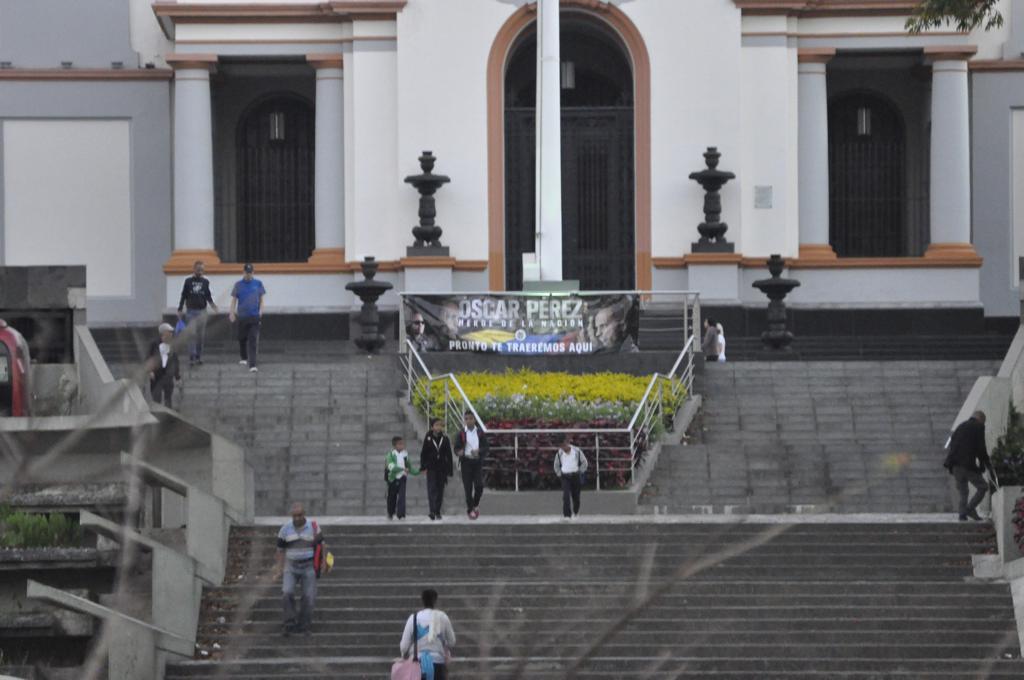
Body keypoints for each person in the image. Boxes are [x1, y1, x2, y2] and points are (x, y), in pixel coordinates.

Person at [273, 502, 324, 636]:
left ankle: (304, 625)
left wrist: (323, 564)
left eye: (300, 515)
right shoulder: (285, 529)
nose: (297, 518)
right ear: (291, 516)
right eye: (295, 516)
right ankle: (289, 623)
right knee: (287, 592)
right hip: (291, 566)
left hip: (308, 566)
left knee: (308, 596)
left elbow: (322, 546)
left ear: (304, 514)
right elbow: (280, 551)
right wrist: (279, 569)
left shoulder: (313, 527)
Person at [944, 411, 996, 521]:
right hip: (966, 465)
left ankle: (962, 515)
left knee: (963, 492)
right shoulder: (978, 426)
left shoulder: (960, 426)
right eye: (984, 422)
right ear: (981, 419)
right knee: (983, 487)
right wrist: (985, 463)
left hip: (955, 465)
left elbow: (952, 444)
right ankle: (969, 509)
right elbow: (981, 447)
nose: (983, 424)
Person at [399, 589, 456, 680]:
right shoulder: (442, 617)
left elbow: (403, 647)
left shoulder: (413, 618)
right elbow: (452, 642)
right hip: (437, 664)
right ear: (435, 601)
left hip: (417, 665)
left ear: (422, 601)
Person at [176, 260, 219, 366]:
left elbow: (208, 296)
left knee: (200, 336)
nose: (200, 271)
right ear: (194, 269)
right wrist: (180, 309)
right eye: (198, 269)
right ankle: (192, 356)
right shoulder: (188, 281)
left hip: (202, 312)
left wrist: (213, 306)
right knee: (191, 334)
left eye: (202, 269)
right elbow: (183, 295)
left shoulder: (205, 282)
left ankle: (198, 356)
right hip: (191, 311)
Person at [229, 263, 266, 373]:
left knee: (253, 339)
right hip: (242, 316)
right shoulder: (238, 285)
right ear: (243, 272)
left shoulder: (258, 284)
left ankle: (253, 364)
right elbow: (234, 300)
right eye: (247, 272)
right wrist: (231, 312)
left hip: (254, 316)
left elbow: (262, 299)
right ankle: (243, 357)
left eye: (250, 273)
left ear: (253, 273)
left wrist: (261, 311)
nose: (248, 275)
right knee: (242, 338)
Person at [454, 411, 489, 520]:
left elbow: (486, 447)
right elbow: (456, 448)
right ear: (464, 420)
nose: (468, 421)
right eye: (466, 419)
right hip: (466, 463)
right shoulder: (461, 433)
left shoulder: (480, 432)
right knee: (468, 488)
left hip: (477, 462)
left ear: (474, 420)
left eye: (471, 418)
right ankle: (470, 510)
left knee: (479, 486)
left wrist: (479, 451)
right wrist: (459, 452)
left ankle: (475, 504)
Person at [420, 419, 454, 520]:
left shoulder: (445, 438)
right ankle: (432, 511)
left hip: (442, 468)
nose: (439, 427)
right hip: (431, 467)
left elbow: (449, 455)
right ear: (432, 427)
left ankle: (438, 511)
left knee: (440, 490)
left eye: (440, 425)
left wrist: (450, 470)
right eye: (436, 425)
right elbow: (424, 453)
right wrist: (423, 466)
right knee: (431, 489)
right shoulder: (428, 438)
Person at [146, 323, 180, 407]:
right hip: (157, 376)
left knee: (168, 399)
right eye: (169, 332)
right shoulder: (154, 344)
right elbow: (148, 358)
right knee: (156, 399)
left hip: (168, 376)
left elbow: (175, 361)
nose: (171, 334)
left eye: (171, 332)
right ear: (164, 333)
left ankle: (167, 416)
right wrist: (150, 371)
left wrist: (177, 377)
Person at [554, 436, 589, 519]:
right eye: (561, 446)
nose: (563, 448)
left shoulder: (576, 451)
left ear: (567, 442)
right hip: (565, 476)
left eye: (564, 445)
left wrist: (580, 471)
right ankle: (567, 515)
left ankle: (576, 512)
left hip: (575, 475)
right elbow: (556, 465)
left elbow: (584, 462)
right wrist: (559, 474)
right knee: (566, 496)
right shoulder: (559, 453)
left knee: (576, 496)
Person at [386, 435, 417, 520]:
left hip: (402, 478)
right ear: (394, 445)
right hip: (392, 478)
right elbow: (391, 466)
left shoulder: (405, 454)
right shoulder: (390, 455)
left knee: (402, 496)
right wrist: (403, 469)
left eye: (402, 444)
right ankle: (390, 513)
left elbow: (409, 467)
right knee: (392, 497)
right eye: (399, 444)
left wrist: (419, 471)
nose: (402, 446)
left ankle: (401, 514)